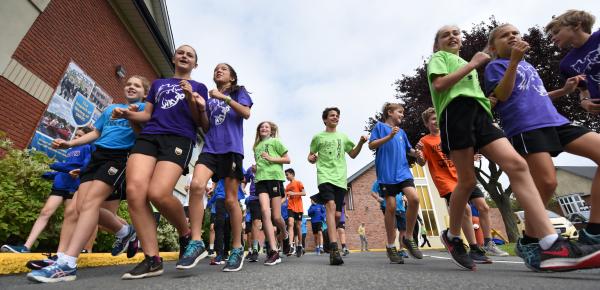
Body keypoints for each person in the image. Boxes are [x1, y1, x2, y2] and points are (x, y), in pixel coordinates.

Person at [427, 25, 600, 271]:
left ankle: (551, 242)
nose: (453, 36)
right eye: (445, 34)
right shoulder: (441, 58)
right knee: (466, 182)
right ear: (437, 45)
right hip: (456, 116)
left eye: (457, 33)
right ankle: (453, 235)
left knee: (517, 166)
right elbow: (440, 86)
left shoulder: (472, 63)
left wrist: (490, 101)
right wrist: (474, 63)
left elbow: (495, 89)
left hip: (482, 117)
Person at [485, 24, 600, 248]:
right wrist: (514, 62)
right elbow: (502, 94)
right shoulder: (495, 66)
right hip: (525, 127)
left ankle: (594, 230)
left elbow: (537, 95)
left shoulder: (527, 65)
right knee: (547, 182)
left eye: (516, 33)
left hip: (555, 121)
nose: (512, 36)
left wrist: (564, 92)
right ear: (493, 47)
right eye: (504, 35)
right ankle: (529, 240)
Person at [27, 76, 149, 283]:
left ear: (144, 93)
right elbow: (96, 132)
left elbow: (144, 134)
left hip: (118, 157)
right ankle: (125, 231)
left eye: (136, 85)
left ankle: (68, 264)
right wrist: (69, 143)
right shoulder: (111, 109)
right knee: (79, 206)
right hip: (96, 156)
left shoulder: (145, 108)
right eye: (128, 84)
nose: (131, 87)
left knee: (91, 202)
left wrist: (131, 116)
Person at [115, 45, 207, 278]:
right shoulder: (157, 84)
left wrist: (189, 97)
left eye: (190, 55)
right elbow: (146, 115)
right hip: (149, 136)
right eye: (180, 52)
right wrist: (127, 113)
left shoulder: (199, 87)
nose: (184, 56)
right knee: (135, 191)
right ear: (173, 58)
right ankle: (152, 259)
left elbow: (199, 122)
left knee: (157, 193)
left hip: (179, 137)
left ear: (195, 64)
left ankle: (186, 235)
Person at [183, 62, 252, 272]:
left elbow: (246, 113)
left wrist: (224, 98)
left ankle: (237, 248)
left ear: (232, 77)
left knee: (231, 200)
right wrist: (202, 107)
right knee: (196, 186)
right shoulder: (209, 98)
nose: (218, 70)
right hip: (211, 148)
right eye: (216, 69)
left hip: (231, 149)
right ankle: (196, 242)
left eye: (223, 68)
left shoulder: (239, 92)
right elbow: (205, 126)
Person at [416, 107, 506, 260]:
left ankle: (488, 243)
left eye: (438, 118)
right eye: (432, 119)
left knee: (483, 207)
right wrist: (418, 155)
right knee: (465, 210)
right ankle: (474, 248)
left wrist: (471, 156)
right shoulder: (425, 141)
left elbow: (460, 154)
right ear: (427, 124)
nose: (436, 121)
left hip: (464, 176)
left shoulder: (450, 135)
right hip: (445, 181)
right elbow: (422, 162)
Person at [2, 127, 92, 254]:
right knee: (45, 212)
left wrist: (55, 165)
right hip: (60, 184)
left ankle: (67, 251)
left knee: (70, 218)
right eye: (75, 135)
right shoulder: (70, 150)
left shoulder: (88, 148)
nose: (76, 137)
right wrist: (50, 174)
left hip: (75, 187)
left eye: (80, 136)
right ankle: (26, 247)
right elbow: (66, 168)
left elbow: (82, 166)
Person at [308, 107, 367, 265]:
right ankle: (334, 248)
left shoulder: (343, 137)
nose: (336, 117)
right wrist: (312, 158)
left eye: (337, 116)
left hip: (340, 179)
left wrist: (361, 142)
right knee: (330, 206)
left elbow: (353, 154)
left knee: (335, 215)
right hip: (324, 176)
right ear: (325, 119)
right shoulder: (318, 137)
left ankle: (329, 239)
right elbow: (310, 156)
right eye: (332, 115)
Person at [368, 103, 423, 263]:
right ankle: (391, 246)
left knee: (414, 199)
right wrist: (389, 136)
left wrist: (417, 153)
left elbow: (409, 150)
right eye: (400, 112)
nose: (402, 115)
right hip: (386, 173)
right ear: (390, 112)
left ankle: (408, 237)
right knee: (390, 207)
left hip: (403, 171)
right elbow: (372, 144)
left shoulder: (402, 133)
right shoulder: (379, 126)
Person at [544, 10, 600, 114]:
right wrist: (585, 101)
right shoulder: (566, 65)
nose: (552, 38)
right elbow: (583, 90)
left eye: (556, 32)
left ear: (576, 25)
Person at [253, 121, 289, 265]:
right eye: (261, 127)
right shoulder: (255, 147)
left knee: (276, 216)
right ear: (259, 131)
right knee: (264, 212)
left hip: (274, 179)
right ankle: (274, 251)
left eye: (266, 127)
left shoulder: (276, 142)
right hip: (261, 181)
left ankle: (285, 234)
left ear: (271, 130)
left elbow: (287, 159)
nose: (264, 128)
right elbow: (260, 163)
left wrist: (271, 158)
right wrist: (255, 168)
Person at [243, 165, 263, 262]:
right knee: (255, 223)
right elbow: (245, 180)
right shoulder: (250, 169)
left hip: (265, 197)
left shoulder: (267, 165)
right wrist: (243, 188)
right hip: (254, 198)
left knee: (269, 224)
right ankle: (255, 249)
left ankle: (273, 248)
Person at [284, 168, 306, 257]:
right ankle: (291, 245)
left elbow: (304, 193)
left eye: (287, 175)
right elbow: (284, 198)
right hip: (290, 207)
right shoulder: (287, 186)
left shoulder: (298, 183)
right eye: (285, 175)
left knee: (298, 226)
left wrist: (294, 193)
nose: (286, 176)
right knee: (290, 223)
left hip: (299, 208)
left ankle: (300, 245)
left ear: (292, 174)